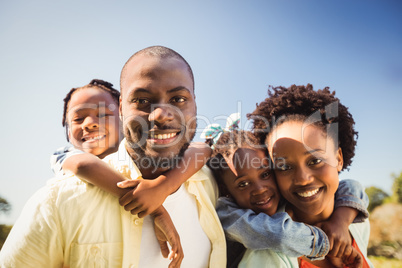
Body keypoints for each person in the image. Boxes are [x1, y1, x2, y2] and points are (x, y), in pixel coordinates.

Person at [0, 46, 226, 267]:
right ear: (121, 108)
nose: (161, 115)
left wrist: (164, 186)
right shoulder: (59, 201)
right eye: (142, 100)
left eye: (178, 99)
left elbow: (202, 149)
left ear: (195, 102)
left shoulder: (214, 182)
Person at [244, 84, 373, 267]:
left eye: (315, 161)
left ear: (338, 158)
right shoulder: (268, 254)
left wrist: (342, 222)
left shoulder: (358, 224)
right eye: (284, 166)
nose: (303, 178)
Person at [206, 129, 369, 268]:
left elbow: (351, 186)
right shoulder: (228, 214)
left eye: (265, 174)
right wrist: (326, 243)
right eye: (243, 184)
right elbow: (277, 235)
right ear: (227, 191)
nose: (260, 189)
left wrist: (340, 223)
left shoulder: (289, 201)